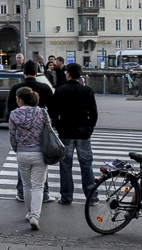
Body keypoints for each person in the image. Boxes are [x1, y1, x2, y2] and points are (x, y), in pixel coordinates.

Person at [6, 60, 56, 203]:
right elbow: (52, 109)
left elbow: (9, 109)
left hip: (21, 131)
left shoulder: (16, 88)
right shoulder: (45, 88)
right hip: (41, 131)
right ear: (36, 71)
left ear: (23, 71)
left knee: (23, 164)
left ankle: (21, 192)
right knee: (42, 163)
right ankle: (44, 193)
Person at [49, 62, 99, 206]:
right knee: (86, 165)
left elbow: (53, 113)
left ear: (68, 74)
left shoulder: (60, 91)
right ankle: (91, 197)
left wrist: (58, 127)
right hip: (83, 132)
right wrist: (90, 128)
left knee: (65, 166)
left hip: (66, 131)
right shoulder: (87, 91)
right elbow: (94, 113)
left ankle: (66, 197)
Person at [9, 87, 48, 230]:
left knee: (26, 185)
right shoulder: (42, 112)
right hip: (39, 152)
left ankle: (29, 212)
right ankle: (35, 216)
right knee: (38, 186)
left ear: (20, 99)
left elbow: (12, 136)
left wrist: (16, 149)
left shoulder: (14, 114)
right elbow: (48, 131)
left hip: (23, 153)